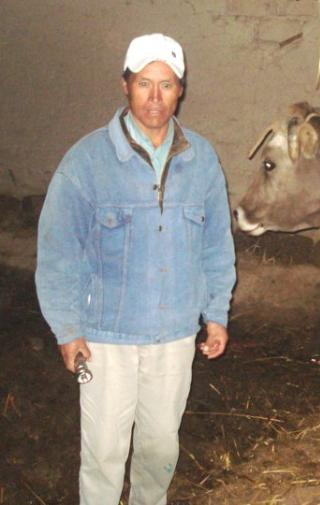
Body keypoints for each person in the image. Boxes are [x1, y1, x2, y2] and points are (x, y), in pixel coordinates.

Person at [35, 33, 236, 505]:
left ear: (180, 89)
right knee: (104, 452)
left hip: (174, 335)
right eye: (144, 83)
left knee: (160, 449)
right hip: (107, 337)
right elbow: (58, 251)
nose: (155, 97)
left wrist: (216, 314)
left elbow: (216, 244)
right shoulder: (87, 161)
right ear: (124, 85)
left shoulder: (201, 159)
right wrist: (67, 328)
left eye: (166, 85)